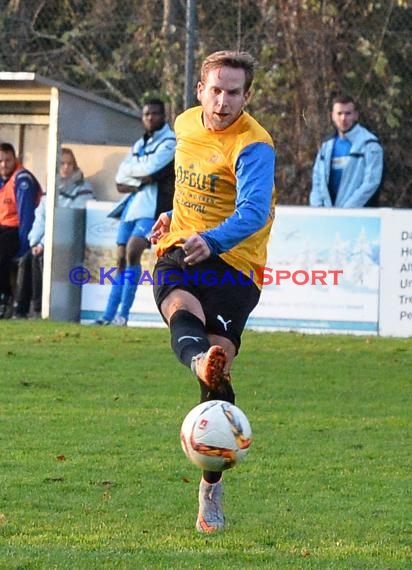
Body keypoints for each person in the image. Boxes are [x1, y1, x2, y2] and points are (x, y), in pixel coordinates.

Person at [150, 51, 276, 533]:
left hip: (235, 263)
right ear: (200, 90)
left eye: (234, 92)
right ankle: (199, 358)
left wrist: (213, 239)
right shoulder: (184, 125)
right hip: (181, 248)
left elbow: (252, 212)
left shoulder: (254, 146)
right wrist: (172, 219)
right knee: (180, 306)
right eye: (216, 90)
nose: (223, 102)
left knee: (218, 380)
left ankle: (211, 488)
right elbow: (187, 187)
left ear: (247, 96)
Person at [95, 98, 176, 327]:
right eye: (146, 114)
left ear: (163, 116)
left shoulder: (170, 142)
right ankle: (108, 315)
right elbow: (120, 178)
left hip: (153, 208)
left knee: (133, 252)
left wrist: (135, 173)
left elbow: (151, 170)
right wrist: (137, 176)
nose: (150, 118)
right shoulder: (139, 144)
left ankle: (123, 315)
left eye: (155, 114)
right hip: (132, 206)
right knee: (120, 259)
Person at [13, 147, 95, 318]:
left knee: (39, 258)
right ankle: (20, 309)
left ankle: (38, 308)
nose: (66, 167)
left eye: (69, 164)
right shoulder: (50, 188)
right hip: (46, 240)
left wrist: (43, 243)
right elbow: (41, 217)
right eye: (62, 164)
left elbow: (68, 217)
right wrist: (35, 242)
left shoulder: (84, 188)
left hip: (70, 241)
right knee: (28, 257)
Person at [309, 94, 384, 208]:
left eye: (348, 113)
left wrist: (347, 211)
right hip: (327, 216)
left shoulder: (369, 144)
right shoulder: (326, 146)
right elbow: (317, 179)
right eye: (339, 113)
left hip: (358, 217)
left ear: (356, 115)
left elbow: (371, 183)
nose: (343, 118)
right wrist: (318, 208)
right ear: (332, 116)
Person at [0, 142, 42, 319]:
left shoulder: (22, 179)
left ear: (15, 159)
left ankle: (4, 297)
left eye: (7, 160)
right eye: (0, 161)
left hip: (15, 230)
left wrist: (25, 248)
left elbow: (26, 217)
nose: (3, 165)